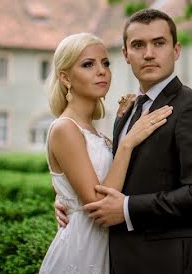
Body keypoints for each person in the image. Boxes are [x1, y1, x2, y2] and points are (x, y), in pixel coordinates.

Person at [55, 9, 192, 274]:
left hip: (170, 263)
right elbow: (109, 178)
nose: (148, 53)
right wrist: (69, 202)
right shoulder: (128, 111)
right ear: (125, 54)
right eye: (138, 45)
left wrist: (126, 209)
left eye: (159, 43)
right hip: (114, 259)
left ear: (176, 50)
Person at [40, 32, 173, 274]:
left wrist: (124, 125)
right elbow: (100, 205)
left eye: (105, 63)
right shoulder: (64, 128)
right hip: (82, 251)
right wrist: (127, 143)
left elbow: (108, 179)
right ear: (65, 77)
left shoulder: (95, 132)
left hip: (110, 246)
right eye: (88, 64)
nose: (101, 71)